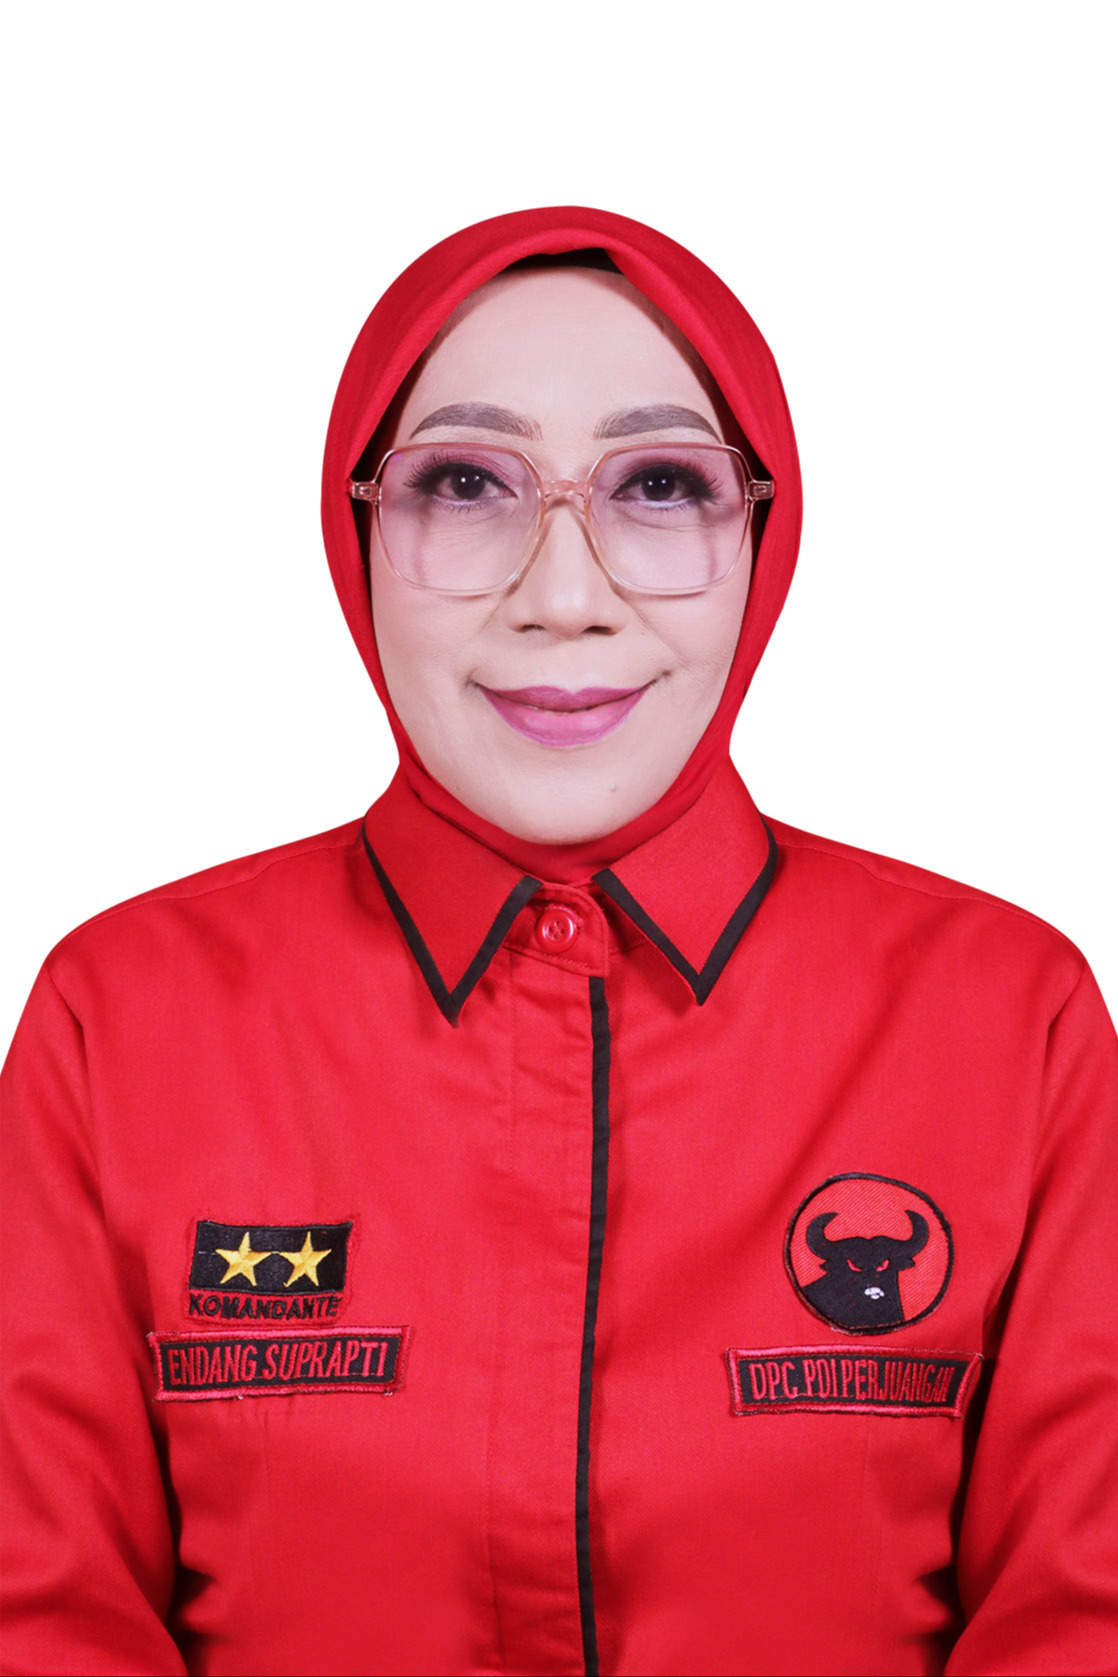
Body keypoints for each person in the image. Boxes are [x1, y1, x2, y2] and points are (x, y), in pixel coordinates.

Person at [1, 206, 1115, 1677]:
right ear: (355, 530)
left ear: (764, 534)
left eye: (659, 484)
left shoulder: (1008, 1019)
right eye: (465, 482)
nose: (565, 598)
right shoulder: (124, 1017)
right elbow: (42, 1616)